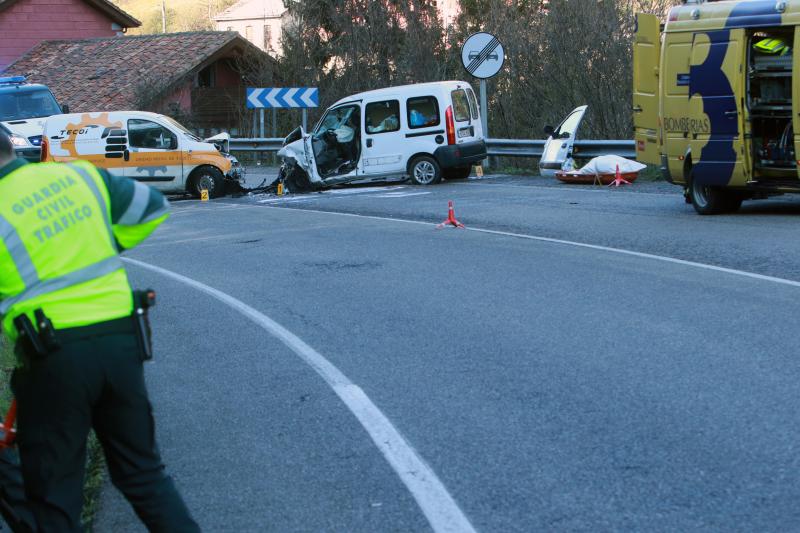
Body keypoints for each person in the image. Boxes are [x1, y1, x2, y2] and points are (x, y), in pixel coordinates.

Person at [0, 129, 199, 532]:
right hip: (122, 343)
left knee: (56, 498)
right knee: (144, 475)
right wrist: (98, 243)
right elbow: (151, 207)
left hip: (53, 358)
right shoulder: (79, 176)